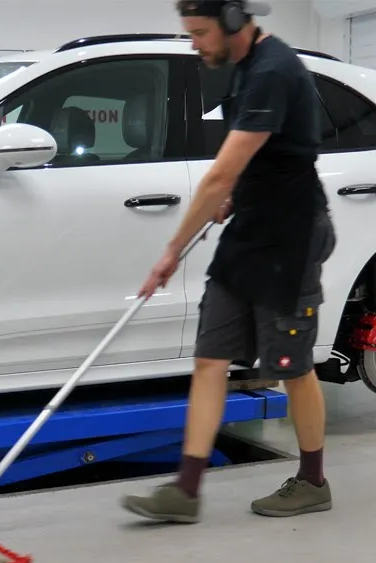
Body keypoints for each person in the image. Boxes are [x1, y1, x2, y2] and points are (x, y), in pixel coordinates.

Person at [120, 0, 337, 523]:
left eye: (199, 32)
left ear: (234, 21)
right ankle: (186, 492)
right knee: (210, 357)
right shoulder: (242, 67)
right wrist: (238, 196)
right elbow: (267, 155)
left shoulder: (272, 71)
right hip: (249, 233)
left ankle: (313, 481)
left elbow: (220, 172)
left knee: (292, 367)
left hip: (290, 240)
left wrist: (171, 251)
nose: (193, 44)